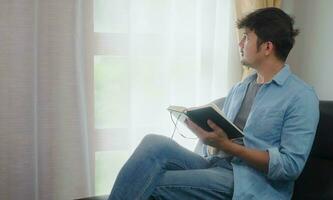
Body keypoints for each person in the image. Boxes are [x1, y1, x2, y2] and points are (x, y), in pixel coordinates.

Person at [108, 7, 319, 200]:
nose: (240, 43)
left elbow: (290, 166)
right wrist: (207, 136)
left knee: (151, 181)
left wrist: (227, 146)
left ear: (267, 47)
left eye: (246, 37)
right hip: (216, 165)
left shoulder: (301, 97)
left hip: (250, 183)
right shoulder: (240, 88)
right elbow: (223, 140)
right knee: (153, 143)